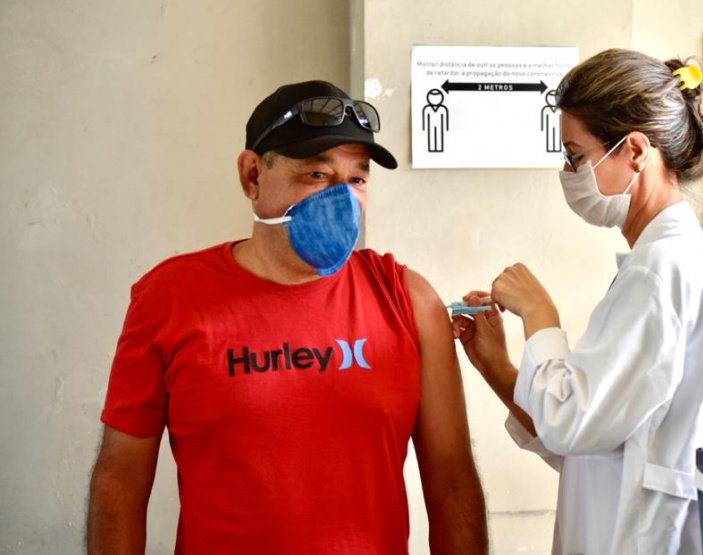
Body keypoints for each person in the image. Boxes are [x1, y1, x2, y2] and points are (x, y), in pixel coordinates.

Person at [87, 80, 488, 554]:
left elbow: (452, 483)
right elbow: (120, 479)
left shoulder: (408, 300)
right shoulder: (166, 300)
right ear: (252, 176)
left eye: (357, 180)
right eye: (317, 174)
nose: (342, 198)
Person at [452, 49, 703, 555]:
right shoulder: (665, 261)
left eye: (576, 156)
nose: (568, 173)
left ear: (635, 151)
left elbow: (571, 423)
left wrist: (539, 313)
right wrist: (496, 366)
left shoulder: (660, 270)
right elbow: (592, 437)